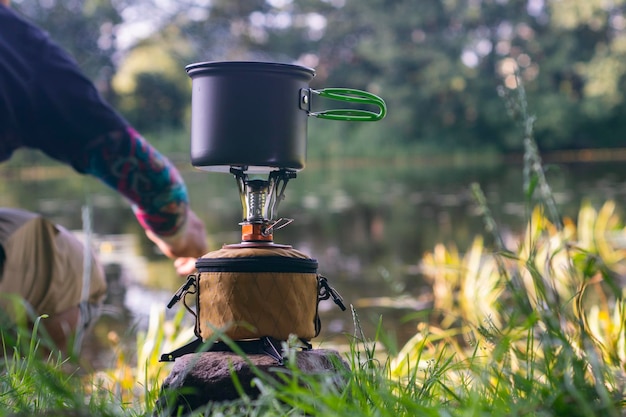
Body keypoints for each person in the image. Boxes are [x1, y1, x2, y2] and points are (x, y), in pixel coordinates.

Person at [0, 1, 208, 355]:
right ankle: (31, 401)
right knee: (75, 265)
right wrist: (180, 233)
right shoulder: (13, 39)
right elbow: (145, 174)